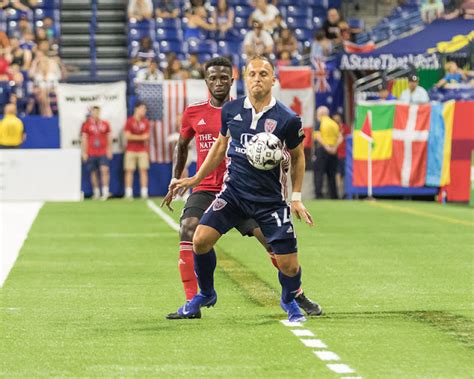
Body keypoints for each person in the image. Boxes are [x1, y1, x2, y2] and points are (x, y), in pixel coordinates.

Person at [162, 56, 321, 319]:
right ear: (245, 78)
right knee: (197, 238)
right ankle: (203, 294)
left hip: (268, 199)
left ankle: (292, 296)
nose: (257, 79)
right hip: (231, 193)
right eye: (253, 74)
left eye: (263, 74)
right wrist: (192, 179)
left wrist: (295, 197)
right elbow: (218, 146)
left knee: (287, 263)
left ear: (273, 79)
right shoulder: (230, 112)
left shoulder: (288, 119)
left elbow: (298, 155)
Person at [81, 106, 112, 200]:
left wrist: (109, 150)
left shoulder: (105, 124)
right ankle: (96, 192)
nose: (96, 114)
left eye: (98, 112)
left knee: (104, 170)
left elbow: (109, 137)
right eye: (94, 112)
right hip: (91, 151)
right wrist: (84, 152)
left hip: (102, 151)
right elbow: (84, 139)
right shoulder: (87, 124)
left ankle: (105, 191)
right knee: (93, 172)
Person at [313, 106, 342, 199]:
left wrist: (326, 146)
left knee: (319, 173)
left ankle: (319, 195)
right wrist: (334, 148)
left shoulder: (319, 122)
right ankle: (333, 195)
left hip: (322, 150)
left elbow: (317, 136)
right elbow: (340, 137)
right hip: (333, 151)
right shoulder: (334, 123)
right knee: (332, 174)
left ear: (321, 114)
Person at [124, 101, 150, 200]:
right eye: (142, 109)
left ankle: (144, 192)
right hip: (130, 150)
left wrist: (133, 136)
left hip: (142, 150)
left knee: (143, 170)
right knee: (129, 171)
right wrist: (140, 137)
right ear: (136, 109)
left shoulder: (145, 122)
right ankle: (128, 193)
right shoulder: (129, 121)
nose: (144, 111)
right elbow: (127, 136)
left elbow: (146, 137)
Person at [333, 113, 351, 199]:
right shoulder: (332, 128)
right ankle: (338, 193)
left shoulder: (345, 128)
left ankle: (344, 193)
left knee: (343, 174)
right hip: (334, 154)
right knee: (337, 174)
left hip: (343, 154)